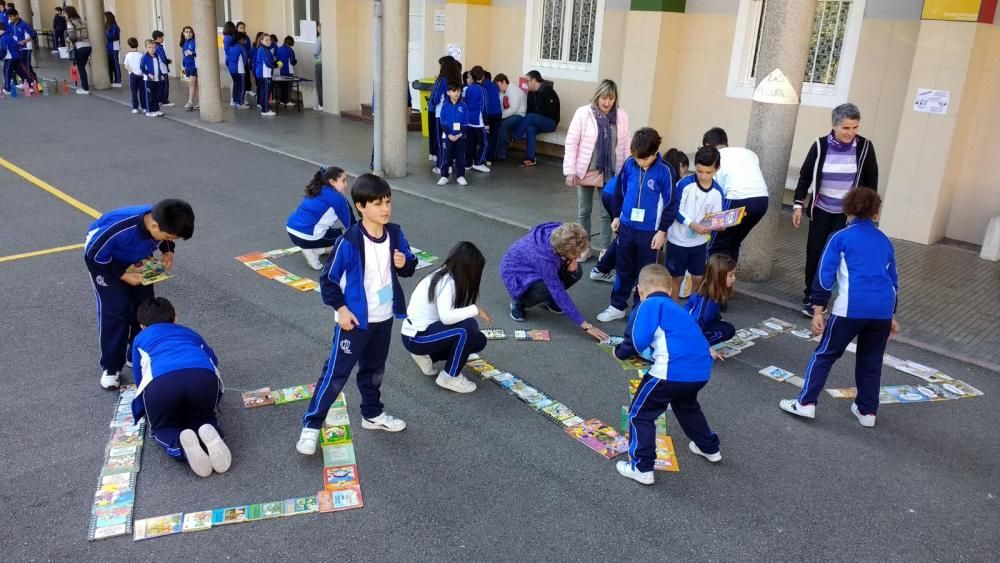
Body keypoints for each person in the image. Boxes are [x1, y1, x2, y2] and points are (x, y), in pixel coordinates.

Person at [297, 174, 417, 455]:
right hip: (354, 320)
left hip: (384, 317)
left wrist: (404, 262)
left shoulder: (396, 233)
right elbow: (328, 280)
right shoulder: (349, 241)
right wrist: (341, 310)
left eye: (388, 202)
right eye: (377, 204)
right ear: (361, 206)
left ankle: (372, 414)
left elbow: (409, 264)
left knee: (374, 370)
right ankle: (311, 426)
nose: (385, 209)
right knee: (336, 374)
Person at [780, 187, 899, 428]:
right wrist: (892, 315)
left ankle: (806, 403)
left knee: (825, 354)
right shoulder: (885, 241)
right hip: (883, 310)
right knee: (871, 360)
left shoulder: (840, 237)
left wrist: (817, 309)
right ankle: (867, 412)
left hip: (850, 308)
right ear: (876, 213)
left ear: (847, 210)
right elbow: (893, 281)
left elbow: (824, 277)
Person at [615, 264, 721, 485]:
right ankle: (709, 447)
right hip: (700, 371)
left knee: (640, 414)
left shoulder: (649, 305)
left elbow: (636, 340)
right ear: (671, 290)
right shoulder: (677, 309)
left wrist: (620, 352)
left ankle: (642, 467)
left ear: (639, 290)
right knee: (687, 406)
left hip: (669, 372)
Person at [83, 199, 195, 389]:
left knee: (144, 306)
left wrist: (168, 252)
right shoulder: (120, 229)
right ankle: (111, 367)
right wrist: (123, 275)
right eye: (169, 236)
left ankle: (134, 354)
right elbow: (93, 256)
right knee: (116, 310)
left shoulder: (162, 221)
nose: (170, 239)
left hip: (137, 259)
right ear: (153, 225)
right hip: (105, 262)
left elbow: (166, 238)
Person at [792, 103, 878, 317]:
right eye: (846, 128)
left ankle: (831, 297)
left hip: (847, 215)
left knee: (839, 257)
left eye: (855, 128)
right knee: (815, 253)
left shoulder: (865, 147)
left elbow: (870, 182)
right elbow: (805, 176)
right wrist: (797, 204)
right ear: (834, 125)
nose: (851, 133)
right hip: (821, 209)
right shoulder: (820, 146)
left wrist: (870, 211)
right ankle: (811, 297)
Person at [130, 297, 229, 478]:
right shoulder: (190, 332)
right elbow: (213, 359)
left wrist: (145, 408)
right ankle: (210, 432)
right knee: (204, 417)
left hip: (162, 382)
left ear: (142, 325)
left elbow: (139, 376)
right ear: (175, 318)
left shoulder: (140, 338)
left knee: (164, 426)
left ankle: (181, 446)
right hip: (202, 376)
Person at [597, 128, 678, 323]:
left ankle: (640, 310)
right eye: (636, 158)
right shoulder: (629, 163)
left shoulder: (666, 171)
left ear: (655, 152)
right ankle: (617, 306)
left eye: (643, 159)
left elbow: (670, 203)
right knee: (623, 268)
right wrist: (616, 216)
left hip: (650, 232)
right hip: (626, 226)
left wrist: (662, 231)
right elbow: (620, 191)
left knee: (646, 272)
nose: (639, 162)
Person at [401, 241, 492, 394]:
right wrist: (475, 309)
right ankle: (450, 376)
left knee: (478, 340)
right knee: (467, 328)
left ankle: (428, 356)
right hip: (417, 337)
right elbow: (447, 318)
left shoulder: (443, 274)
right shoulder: (448, 282)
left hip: (417, 334)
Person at [500, 222, 610, 341]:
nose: (579, 257)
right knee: (549, 288)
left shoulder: (563, 231)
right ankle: (518, 303)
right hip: (517, 276)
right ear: (563, 251)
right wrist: (586, 326)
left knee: (576, 272)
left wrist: (571, 258)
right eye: (576, 254)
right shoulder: (544, 260)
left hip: (535, 264)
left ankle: (549, 300)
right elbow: (558, 291)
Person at [563, 79, 631, 262]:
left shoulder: (621, 116)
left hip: (610, 172)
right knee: (584, 211)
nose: (606, 102)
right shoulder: (583, 113)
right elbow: (572, 143)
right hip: (586, 170)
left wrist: (626, 173)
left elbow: (624, 146)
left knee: (607, 212)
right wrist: (570, 171)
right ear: (597, 96)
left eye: (611, 98)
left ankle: (605, 249)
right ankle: (584, 248)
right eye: (603, 97)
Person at [702, 127, 770, 266]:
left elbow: (715, 194)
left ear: (708, 146)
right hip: (762, 201)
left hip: (737, 199)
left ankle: (709, 284)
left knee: (715, 245)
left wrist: (704, 220)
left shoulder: (716, 157)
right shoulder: (749, 153)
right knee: (734, 242)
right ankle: (727, 282)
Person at [666, 146, 724, 300]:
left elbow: (716, 216)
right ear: (695, 167)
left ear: (717, 169)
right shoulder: (685, 184)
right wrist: (692, 224)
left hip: (699, 243)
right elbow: (675, 210)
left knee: (698, 277)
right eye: (699, 171)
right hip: (677, 240)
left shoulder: (717, 192)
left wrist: (719, 225)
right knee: (675, 278)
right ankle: (672, 314)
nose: (703, 176)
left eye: (708, 172)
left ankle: (692, 310)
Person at [286, 166, 355, 270]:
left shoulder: (315, 189)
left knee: (331, 232)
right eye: (343, 180)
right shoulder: (338, 198)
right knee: (344, 237)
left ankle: (313, 249)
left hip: (291, 231)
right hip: (307, 236)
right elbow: (351, 226)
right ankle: (312, 250)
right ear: (332, 182)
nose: (346, 184)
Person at [686, 254, 737, 350]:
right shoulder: (706, 299)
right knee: (727, 331)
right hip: (689, 328)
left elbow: (713, 314)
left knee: (728, 329)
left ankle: (698, 343)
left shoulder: (716, 291)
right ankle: (695, 346)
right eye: (731, 275)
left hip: (703, 323)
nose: (734, 278)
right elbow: (696, 323)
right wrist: (707, 348)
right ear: (719, 276)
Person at [512, 70, 560, 166]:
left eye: (528, 81)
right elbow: (529, 110)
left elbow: (550, 112)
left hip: (551, 122)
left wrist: (535, 116)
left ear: (534, 80)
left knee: (531, 117)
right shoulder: (531, 93)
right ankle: (530, 158)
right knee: (530, 128)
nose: (526, 84)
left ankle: (515, 137)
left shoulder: (548, 91)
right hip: (538, 121)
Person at [429, 56, 461, 171]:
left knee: (440, 140)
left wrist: (432, 102)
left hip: (441, 115)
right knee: (451, 140)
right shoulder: (458, 79)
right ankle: (449, 165)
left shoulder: (441, 80)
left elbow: (435, 98)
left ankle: (443, 166)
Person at [436, 82, 468, 186]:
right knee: (446, 157)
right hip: (447, 136)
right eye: (454, 91)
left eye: (459, 91)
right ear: (448, 92)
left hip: (460, 137)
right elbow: (442, 122)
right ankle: (444, 176)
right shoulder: (445, 106)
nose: (457, 93)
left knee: (460, 157)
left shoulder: (463, 106)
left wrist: (459, 134)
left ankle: (461, 176)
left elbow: (465, 122)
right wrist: (449, 134)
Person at [462, 65, 490, 173]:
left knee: (470, 143)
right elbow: (484, 107)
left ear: (472, 77)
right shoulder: (482, 90)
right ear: (482, 76)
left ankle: (468, 163)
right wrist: (486, 122)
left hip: (469, 120)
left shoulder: (468, 89)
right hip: (479, 121)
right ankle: (478, 162)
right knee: (484, 143)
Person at [494, 73, 526, 162]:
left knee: (503, 125)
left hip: (519, 116)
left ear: (504, 82)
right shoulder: (502, 93)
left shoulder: (514, 90)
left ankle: (500, 154)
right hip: (510, 115)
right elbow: (501, 107)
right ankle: (497, 152)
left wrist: (500, 117)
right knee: (498, 124)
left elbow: (514, 109)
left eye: (498, 85)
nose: (498, 88)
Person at [64, 6, 91, 94]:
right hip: (88, 46)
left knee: (81, 68)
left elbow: (72, 36)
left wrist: (68, 39)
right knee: (82, 67)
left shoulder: (70, 22)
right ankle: (85, 86)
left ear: (68, 13)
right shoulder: (80, 21)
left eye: (65, 13)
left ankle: (85, 88)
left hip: (80, 46)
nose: (64, 15)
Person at [5, 8, 34, 88]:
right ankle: (29, 82)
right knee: (21, 67)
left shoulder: (24, 24)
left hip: (26, 48)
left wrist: (24, 41)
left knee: (26, 67)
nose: (10, 18)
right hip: (17, 49)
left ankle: (32, 84)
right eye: (9, 17)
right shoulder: (11, 24)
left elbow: (33, 35)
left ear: (16, 15)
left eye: (11, 17)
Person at [254, 33, 278, 116]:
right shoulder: (263, 49)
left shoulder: (265, 49)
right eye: (266, 40)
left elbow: (269, 60)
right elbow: (267, 62)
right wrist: (275, 65)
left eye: (269, 40)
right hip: (264, 74)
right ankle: (265, 110)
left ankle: (262, 105)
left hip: (264, 73)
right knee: (266, 91)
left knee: (263, 91)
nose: (268, 41)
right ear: (261, 41)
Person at [482, 70, 503, 164]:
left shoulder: (481, 86)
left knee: (486, 137)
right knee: (494, 137)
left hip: (488, 115)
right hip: (498, 114)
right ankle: (490, 158)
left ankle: (483, 158)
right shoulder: (495, 86)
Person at [140, 39, 164, 117]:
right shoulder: (145, 57)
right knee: (150, 96)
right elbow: (142, 67)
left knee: (156, 95)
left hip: (156, 79)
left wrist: (160, 74)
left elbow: (158, 67)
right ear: (146, 48)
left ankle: (156, 110)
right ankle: (149, 111)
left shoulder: (156, 56)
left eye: (153, 47)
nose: (152, 49)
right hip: (149, 80)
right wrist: (148, 74)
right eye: (149, 47)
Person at [225, 30, 249, 109]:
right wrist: (245, 68)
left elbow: (227, 60)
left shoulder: (231, 47)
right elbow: (245, 59)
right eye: (243, 39)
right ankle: (241, 103)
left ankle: (235, 101)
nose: (244, 41)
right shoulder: (241, 47)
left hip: (232, 70)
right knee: (242, 86)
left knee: (236, 86)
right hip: (240, 70)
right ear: (240, 39)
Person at [122, 37, 145, 114]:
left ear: (129, 45)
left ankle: (135, 108)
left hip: (132, 75)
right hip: (141, 75)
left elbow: (126, 66)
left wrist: (132, 71)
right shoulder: (141, 55)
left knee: (134, 92)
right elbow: (143, 65)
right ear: (137, 44)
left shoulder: (128, 55)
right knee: (142, 92)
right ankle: (144, 107)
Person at [151, 30, 172, 106]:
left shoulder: (152, 45)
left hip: (157, 69)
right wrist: (168, 61)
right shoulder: (158, 47)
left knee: (159, 85)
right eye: (162, 37)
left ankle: (159, 99)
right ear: (158, 38)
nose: (163, 39)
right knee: (165, 85)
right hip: (162, 68)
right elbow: (162, 58)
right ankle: (164, 100)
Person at [179, 26, 197, 110]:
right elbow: (184, 55)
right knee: (195, 85)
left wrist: (192, 53)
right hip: (187, 66)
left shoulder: (194, 42)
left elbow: (198, 53)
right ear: (183, 33)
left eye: (190, 32)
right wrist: (184, 66)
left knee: (191, 84)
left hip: (194, 65)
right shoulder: (184, 43)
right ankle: (201, 102)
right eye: (186, 32)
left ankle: (190, 102)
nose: (188, 33)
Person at [275, 35, 297, 107]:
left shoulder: (279, 49)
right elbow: (292, 61)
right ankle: (287, 101)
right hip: (289, 71)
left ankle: (282, 100)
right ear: (291, 42)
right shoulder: (290, 50)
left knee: (282, 86)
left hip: (282, 70)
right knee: (288, 86)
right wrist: (296, 61)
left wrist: (282, 66)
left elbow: (277, 60)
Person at [105, 11, 121, 87]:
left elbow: (113, 37)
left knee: (115, 64)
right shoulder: (108, 26)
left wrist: (106, 32)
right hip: (109, 47)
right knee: (110, 64)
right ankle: (111, 80)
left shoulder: (113, 26)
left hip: (114, 47)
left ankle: (118, 80)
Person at [237, 22, 253, 98]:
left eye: (243, 28)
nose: (242, 29)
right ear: (237, 28)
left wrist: (249, 57)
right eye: (241, 27)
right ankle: (239, 96)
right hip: (239, 60)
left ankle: (248, 89)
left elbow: (249, 48)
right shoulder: (235, 37)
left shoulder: (247, 37)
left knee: (247, 74)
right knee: (240, 77)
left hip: (246, 59)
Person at [312, 22, 323, 111]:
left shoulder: (319, 38)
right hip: (327, 63)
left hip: (319, 63)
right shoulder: (329, 38)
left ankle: (321, 104)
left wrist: (315, 55)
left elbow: (315, 51)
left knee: (319, 85)